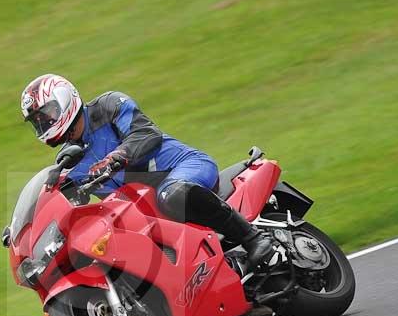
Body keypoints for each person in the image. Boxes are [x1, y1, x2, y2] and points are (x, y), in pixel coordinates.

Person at [20, 74, 273, 268]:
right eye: (38, 122)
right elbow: (62, 201)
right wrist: (24, 228)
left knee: (171, 195)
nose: (44, 123)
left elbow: (146, 134)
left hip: (184, 167)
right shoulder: (70, 162)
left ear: (65, 98)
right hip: (146, 212)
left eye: (47, 114)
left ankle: (253, 238)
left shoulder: (109, 106)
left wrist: (117, 157)